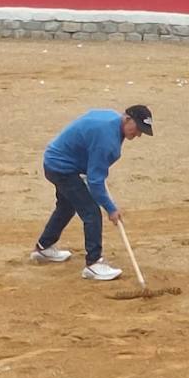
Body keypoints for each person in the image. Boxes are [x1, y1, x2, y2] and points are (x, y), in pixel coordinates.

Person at [29, 105, 153, 283]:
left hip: (56, 161)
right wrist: (111, 209)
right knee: (92, 212)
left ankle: (44, 247)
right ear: (127, 119)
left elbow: (87, 130)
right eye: (138, 129)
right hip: (62, 168)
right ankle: (93, 264)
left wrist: (85, 165)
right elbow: (95, 181)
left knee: (66, 206)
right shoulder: (107, 141)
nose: (138, 134)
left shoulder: (111, 118)